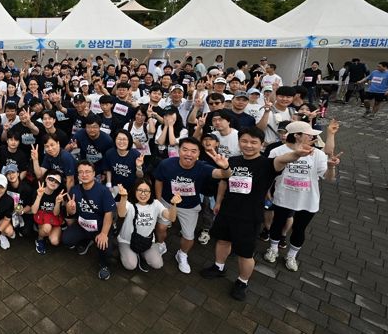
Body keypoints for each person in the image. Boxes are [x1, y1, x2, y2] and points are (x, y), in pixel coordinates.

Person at [200, 126, 316, 301]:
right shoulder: (232, 160)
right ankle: (218, 267)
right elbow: (224, 181)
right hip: (227, 211)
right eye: (244, 141)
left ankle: (242, 282)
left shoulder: (268, 164)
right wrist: (218, 202)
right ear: (238, 142)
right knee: (223, 240)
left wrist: (297, 153)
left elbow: (284, 158)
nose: (248, 145)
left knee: (245, 253)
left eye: (254, 142)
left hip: (249, 216)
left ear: (261, 144)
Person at [264, 121, 339, 271]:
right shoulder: (277, 151)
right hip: (283, 197)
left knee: (299, 229)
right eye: (309, 134)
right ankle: (273, 249)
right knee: (277, 224)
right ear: (297, 135)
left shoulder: (317, 153)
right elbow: (269, 175)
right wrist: (266, 192)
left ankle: (292, 256)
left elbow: (329, 178)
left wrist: (331, 167)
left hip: (308, 200)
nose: (313, 137)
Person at [152, 137, 232, 273]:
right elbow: (158, 181)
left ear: (199, 154)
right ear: (179, 151)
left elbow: (223, 175)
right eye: (185, 150)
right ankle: (160, 244)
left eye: (193, 151)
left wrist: (225, 167)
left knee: (189, 236)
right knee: (161, 227)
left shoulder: (202, 167)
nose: (188, 154)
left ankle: (182, 254)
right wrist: (159, 200)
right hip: (167, 202)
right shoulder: (166, 164)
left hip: (190, 206)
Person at [61, 160, 117, 280]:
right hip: (82, 225)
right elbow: (71, 213)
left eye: (87, 172)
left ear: (93, 174)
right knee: (66, 239)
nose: (84, 175)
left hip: (100, 227)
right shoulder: (74, 190)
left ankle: (104, 265)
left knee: (105, 247)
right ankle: (87, 240)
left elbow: (109, 214)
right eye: (81, 172)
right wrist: (70, 208)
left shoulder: (103, 191)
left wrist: (104, 233)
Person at [116, 181, 180, 271]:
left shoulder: (156, 204)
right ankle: (130, 254)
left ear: (151, 192)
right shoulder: (129, 203)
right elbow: (121, 214)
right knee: (130, 265)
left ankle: (141, 254)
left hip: (146, 241)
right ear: (135, 191)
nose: (143, 194)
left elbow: (171, 218)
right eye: (140, 190)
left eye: (146, 191)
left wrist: (174, 205)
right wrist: (123, 197)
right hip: (127, 241)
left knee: (158, 264)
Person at [32, 172, 67, 254]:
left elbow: (55, 213)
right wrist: (39, 196)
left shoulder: (58, 195)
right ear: (46, 179)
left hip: (53, 219)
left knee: (55, 241)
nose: (53, 182)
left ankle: (46, 234)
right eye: (51, 179)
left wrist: (58, 202)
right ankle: (40, 239)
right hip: (41, 219)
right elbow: (33, 211)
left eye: (56, 182)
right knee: (47, 228)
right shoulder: (39, 191)